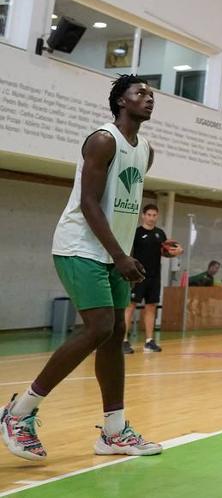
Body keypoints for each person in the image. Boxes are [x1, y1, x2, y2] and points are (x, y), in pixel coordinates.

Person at [2, 75, 162, 461]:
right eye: (140, 92)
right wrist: (120, 255)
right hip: (79, 246)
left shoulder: (146, 150)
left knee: (114, 331)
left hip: (112, 252)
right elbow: (90, 203)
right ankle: (18, 414)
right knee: (100, 326)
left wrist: (126, 252)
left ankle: (114, 431)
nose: (149, 98)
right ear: (120, 101)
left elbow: (121, 206)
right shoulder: (103, 140)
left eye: (151, 94)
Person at [123, 204, 170, 354]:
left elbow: (166, 252)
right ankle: (123, 341)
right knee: (130, 306)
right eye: (148, 215)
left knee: (151, 307)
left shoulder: (160, 234)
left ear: (157, 217)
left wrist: (176, 252)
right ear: (143, 215)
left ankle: (149, 341)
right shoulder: (136, 233)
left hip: (155, 277)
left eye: (154, 215)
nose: (151, 218)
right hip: (138, 276)